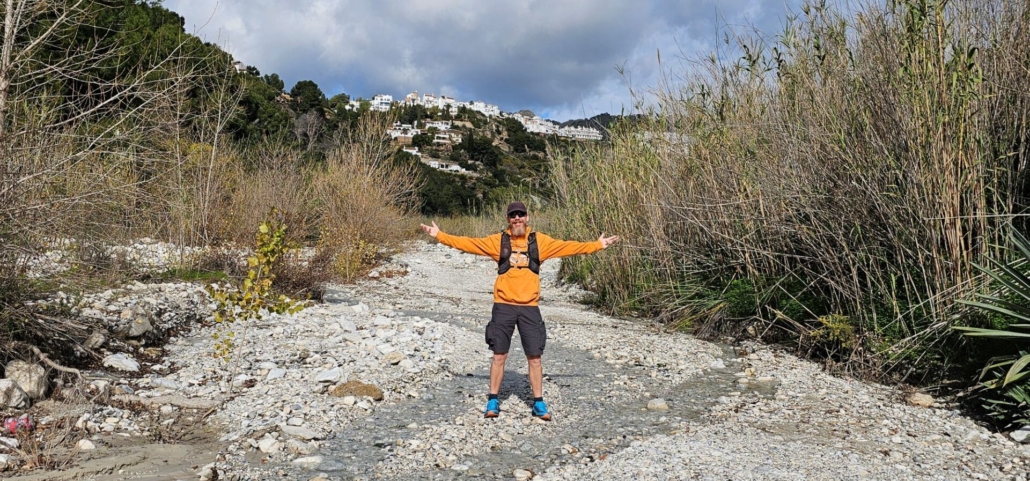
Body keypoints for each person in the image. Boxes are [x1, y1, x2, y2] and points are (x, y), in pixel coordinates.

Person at [420, 201, 619, 420]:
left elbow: (569, 247)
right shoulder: (498, 241)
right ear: (508, 219)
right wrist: (440, 235)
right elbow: (468, 244)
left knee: (535, 357)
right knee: (499, 355)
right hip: (503, 306)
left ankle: (538, 403)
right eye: (513, 216)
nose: (517, 219)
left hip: (530, 308)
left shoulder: (539, 241)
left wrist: (597, 245)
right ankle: (493, 400)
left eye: (521, 215)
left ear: (527, 218)